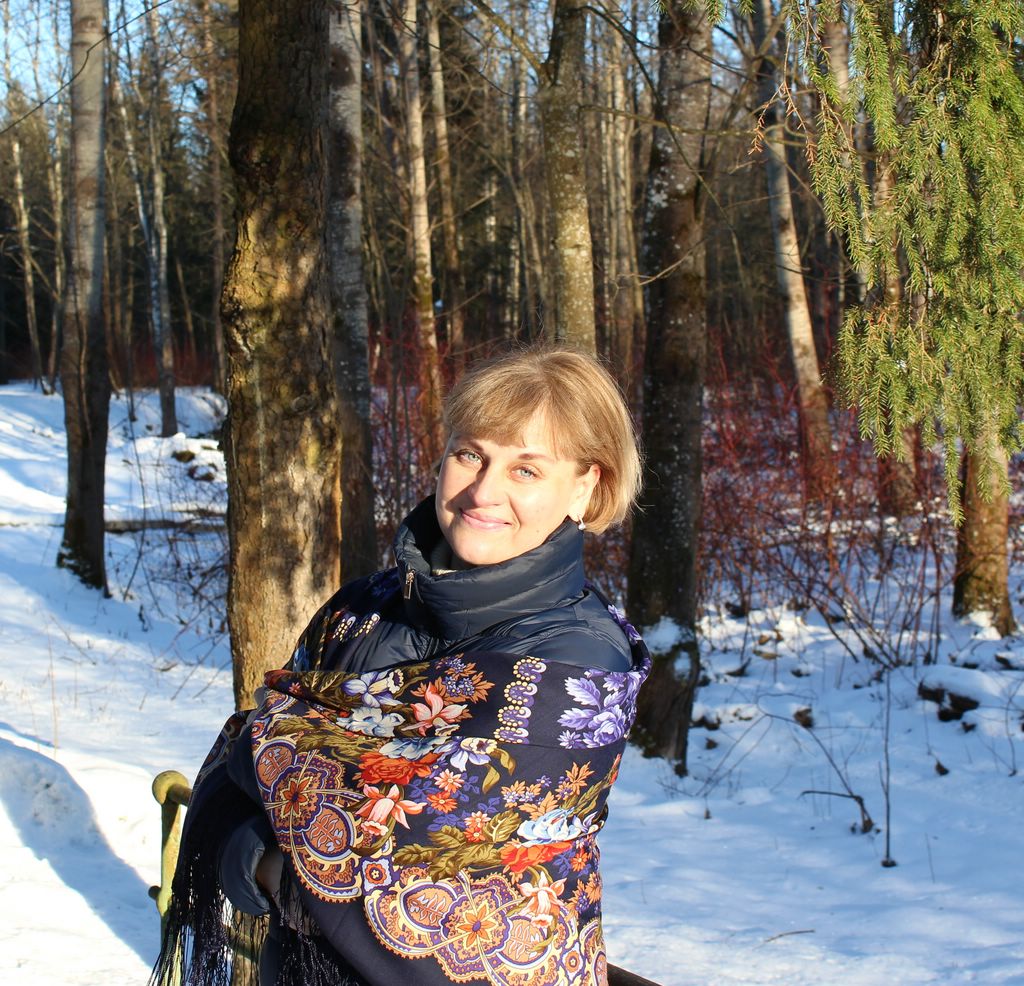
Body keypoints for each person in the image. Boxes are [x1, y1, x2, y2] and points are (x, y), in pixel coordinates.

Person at [155, 347, 651, 986]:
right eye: (469, 455)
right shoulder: (362, 609)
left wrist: (273, 859)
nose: (483, 491)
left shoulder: (578, 663)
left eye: (526, 469)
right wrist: (263, 840)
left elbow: (425, 869)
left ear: (585, 487)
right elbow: (246, 750)